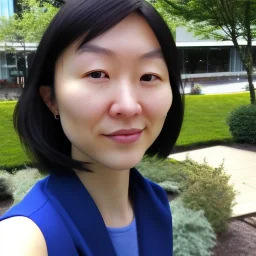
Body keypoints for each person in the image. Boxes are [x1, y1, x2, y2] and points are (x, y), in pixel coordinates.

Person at [0, 0, 184, 255]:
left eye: (148, 76)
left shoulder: (155, 202)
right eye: (97, 74)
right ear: (50, 98)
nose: (129, 106)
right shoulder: (26, 237)